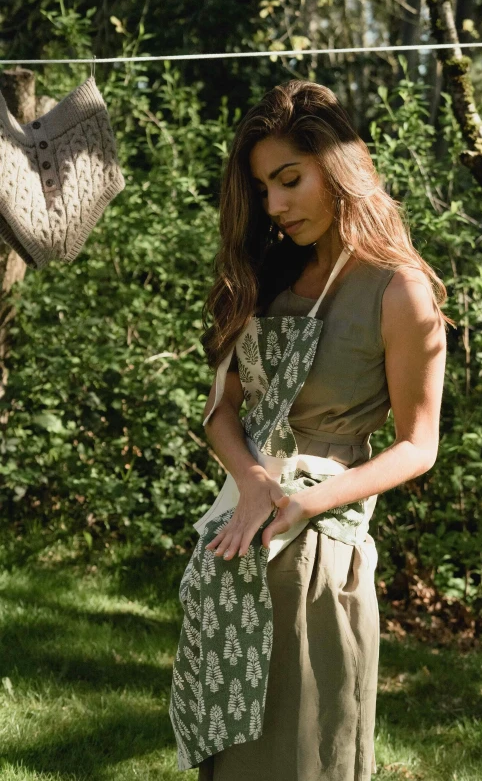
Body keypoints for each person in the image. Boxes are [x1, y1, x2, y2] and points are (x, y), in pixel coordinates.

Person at [170, 79, 448, 781]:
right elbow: (220, 411)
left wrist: (299, 501)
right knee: (230, 759)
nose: (274, 205)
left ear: (338, 165)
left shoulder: (397, 290)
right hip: (237, 542)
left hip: (318, 558)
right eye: (263, 187)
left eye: (288, 179)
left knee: (301, 757)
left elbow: (418, 444)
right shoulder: (269, 278)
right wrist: (256, 484)